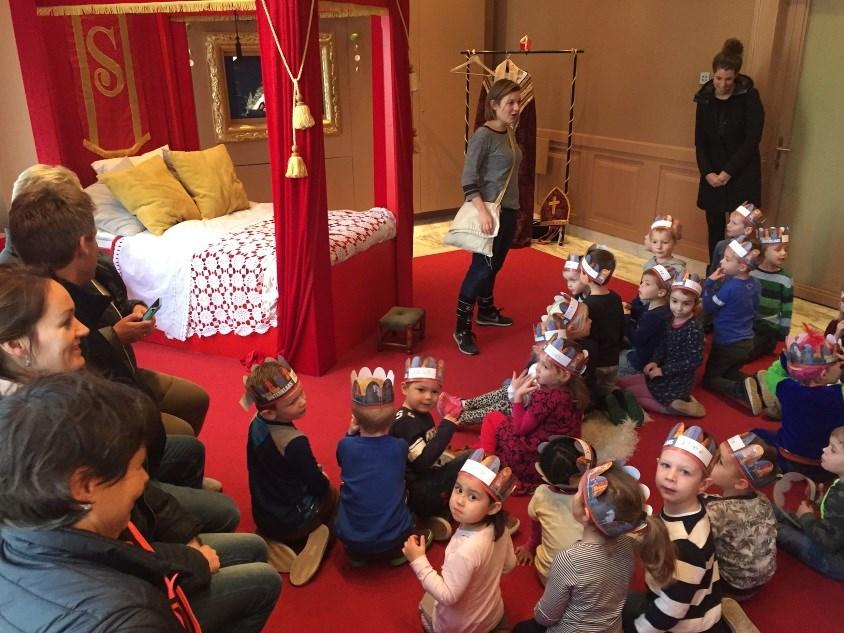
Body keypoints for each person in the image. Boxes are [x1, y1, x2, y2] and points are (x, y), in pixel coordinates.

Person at [0, 372, 281, 633]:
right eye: (136, 466)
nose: (145, 478)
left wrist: (191, 560)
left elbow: (123, 556)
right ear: (84, 485)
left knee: (252, 548)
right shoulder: (131, 619)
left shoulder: (27, 527)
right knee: (263, 579)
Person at [0, 265, 239, 535]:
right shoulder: (32, 433)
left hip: (126, 496)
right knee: (230, 518)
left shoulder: (55, 381)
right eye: (66, 322)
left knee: (189, 451)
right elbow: (94, 542)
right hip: (121, 536)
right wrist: (186, 556)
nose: (84, 330)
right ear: (16, 345)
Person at [7, 164, 210, 438]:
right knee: (180, 439)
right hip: (97, 391)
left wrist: (129, 309)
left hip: (119, 370)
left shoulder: (90, 265)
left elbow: (111, 300)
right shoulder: (26, 293)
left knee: (194, 401)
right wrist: (113, 335)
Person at [513, 462, 675, 633]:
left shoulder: (569, 560)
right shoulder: (628, 544)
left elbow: (546, 616)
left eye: (577, 492)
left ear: (585, 513)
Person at [623, 423, 726, 633]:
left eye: (685, 472)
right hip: (671, 593)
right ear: (657, 463)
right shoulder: (680, 506)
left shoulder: (686, 545)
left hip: (684, 622)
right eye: (666, 466)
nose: (671, 476)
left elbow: (672, 609)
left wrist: (636, 630)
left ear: (703, 485)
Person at [242, 355, 335, 586]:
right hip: (295, 521)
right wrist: (322, 478)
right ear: (270, 413)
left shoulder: (256, 424)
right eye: (293, 402)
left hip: (264, 515)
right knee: (332, 494)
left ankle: (271, 538)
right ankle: (318, 536)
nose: (303, 401)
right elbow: (317, 484)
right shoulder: (295, 442)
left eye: (301, 393)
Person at [403, 449, 517, 633]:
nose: (459, 501)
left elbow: (447, 596)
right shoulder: (501, 528)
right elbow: (509, 564)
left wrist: (418, 560)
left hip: (460, 627)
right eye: (458, 489)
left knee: (426, 602)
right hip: (493, 614)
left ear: (493, 507)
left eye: (473, 496)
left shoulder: (465, 550)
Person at [454, 78, 523, 355]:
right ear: (494, 105)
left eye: (519, 102)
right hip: (489, 213)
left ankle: (486, 310)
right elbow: (469, 179)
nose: (516, 108)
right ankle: (461, 327)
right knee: (480, 268)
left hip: (508, 210)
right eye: (510, 103)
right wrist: (483, 213)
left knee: (495, 265)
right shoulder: (483, 136)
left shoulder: (509, 132)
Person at [336, 366, 427, 565]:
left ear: (356, 420)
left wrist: (350, 432)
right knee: (403, 497)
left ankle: (357, 555)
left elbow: (341, 460)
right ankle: (396, 554)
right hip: (393, 537)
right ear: (390, 422)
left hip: (352, 538)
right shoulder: (399, 447)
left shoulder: (346, 445)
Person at [477, 336, 589, 495]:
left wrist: (517, 398)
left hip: (533, 458)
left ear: (563, 375)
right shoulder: (573, 393)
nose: (537, 368)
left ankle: (485, 465)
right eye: (539, 362)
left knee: (493, 418)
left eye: (544, 366)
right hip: (557, 457)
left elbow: (519, 429)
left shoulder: (546, 397)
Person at [459, 293, 591, 427]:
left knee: (504, 403)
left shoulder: (552, 395)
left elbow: (522, 423)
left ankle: (460, 417)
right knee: (506, 389)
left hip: (528, 409)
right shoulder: (557, 369)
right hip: (531, 393)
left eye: (544, 365)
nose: (591, 321)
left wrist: (516, 395)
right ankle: (465, 405)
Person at [694, 38, 764, 268]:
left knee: (741, 229)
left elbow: (752, 139)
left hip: (741, 172)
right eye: (718, 78)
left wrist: (727, 172)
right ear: (713, 75)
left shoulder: (749, 97)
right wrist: (708, 173)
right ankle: (715, 269)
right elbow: (700, 140)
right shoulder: (704, 97)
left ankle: (740, 272)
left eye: (729, 79)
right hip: (712, 171)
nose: (723, 85)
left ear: (737, 76)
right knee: (714, 226)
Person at [752, 325, 844, 482]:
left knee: (756, 433)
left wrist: (789, 358)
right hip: (823, 465)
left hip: (787, 456)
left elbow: (773, 372)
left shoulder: (785, 387)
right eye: (839, 363)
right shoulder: (839, 394)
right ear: (823, 373)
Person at [390, 356, 467, 540]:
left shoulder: (420, 414)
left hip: (426, 480)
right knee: (472, 459)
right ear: (404, 388)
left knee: (463, 461)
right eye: (421, 390)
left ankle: (440, 513)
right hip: (417, 490)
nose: (428, 397)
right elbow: (422, 463)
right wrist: (446, 427)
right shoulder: (405, 423)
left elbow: (431, 446)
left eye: (434, 392)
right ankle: (434, 513)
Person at [618, 273, 706, 418]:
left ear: (695, 305)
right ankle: (680, 401)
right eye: (675, 301)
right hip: (662, 369)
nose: (678, 308)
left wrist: (663, 370)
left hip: (677, 378)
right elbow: (662, 344)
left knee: (634, 395)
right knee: (624, 384)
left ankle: (675, 407)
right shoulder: (670, 318)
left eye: (686, 304)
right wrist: (654, 361)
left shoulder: (694, 328)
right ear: (669, 299)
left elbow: (694, 360)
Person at [704, 432, 778, 600]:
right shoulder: (762, 498)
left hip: (732, 585)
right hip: (764, 578)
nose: (711, 461)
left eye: (719, 461)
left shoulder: (716, 511)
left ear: (740, 483)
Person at [514, 436, 597, 583]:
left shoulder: (540, 494)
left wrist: (530, 546)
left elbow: (536, 528)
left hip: (548, 576)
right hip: (587, 581)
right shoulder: (594, 495)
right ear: (574, 477)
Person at [774, 425, 844, 580]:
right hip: (833, 536)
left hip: (836, 559)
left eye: (833, 450)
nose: (825, 450)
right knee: (789, 517)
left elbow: (830, 542)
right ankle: (769, 511)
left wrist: (807, 517)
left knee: (783, 532)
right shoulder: (840, 483)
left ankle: (766, 524)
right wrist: (820, 501)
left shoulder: (840, 498)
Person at [702, 238, 761, 408]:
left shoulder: (730, 288)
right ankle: (756, 382)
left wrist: (709, 283)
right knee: (729, 371)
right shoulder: (755, 284)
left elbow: (709, 305)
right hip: (748, 341)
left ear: (742, 266)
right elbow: (755, 307)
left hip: (727, 343)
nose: (721, 261)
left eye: (727, 259)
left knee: (710, 379)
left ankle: (740, 390)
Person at [579, 247, 624, 399]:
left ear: (587, 276)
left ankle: (604, 404)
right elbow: (620, 328)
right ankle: (615, 397)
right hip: (614, 360)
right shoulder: (616, 298)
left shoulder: (588, 305)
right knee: (608, 388)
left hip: (598, 362)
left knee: (592, 393)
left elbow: (588, 338)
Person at [745, 227, 793, 362]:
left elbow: (787, 306)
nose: (784, 253)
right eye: (778, 250)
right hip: (748, 321)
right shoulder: (752, 272)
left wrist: (783, 330)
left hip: (768, 326)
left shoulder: (785, 278)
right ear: (763, 252)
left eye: (786, 249)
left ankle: (766, 345)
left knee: (747, 355)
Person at [620, 264, 673, 377]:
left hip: (640, 360)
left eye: (647, 284)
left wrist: (626, 318)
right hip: (643, 351)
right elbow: (642, 311)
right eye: (642, 282)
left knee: (611, 366)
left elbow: (636, 340)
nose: (641, 286)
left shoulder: (655, 316)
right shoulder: (657, 306)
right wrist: (631, 308)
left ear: (661, 292)